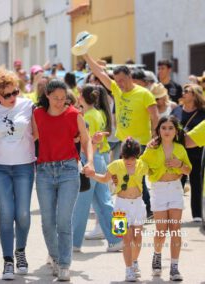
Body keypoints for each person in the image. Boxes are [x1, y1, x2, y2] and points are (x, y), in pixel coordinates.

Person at [82, 52, 159, 218]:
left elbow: (154, 116)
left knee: (136, 176)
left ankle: (144, 209)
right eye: (117, 81)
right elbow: (100, 73)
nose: (120, 84)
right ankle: (140, 211)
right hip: (124, 141)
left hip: (141, 143)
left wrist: (155, 137)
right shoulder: (117, 89)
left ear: (130, 76)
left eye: (123, 80)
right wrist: (87, 56)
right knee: (124, 175)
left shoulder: (144, 94)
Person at [32, 80, 94, 282]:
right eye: (56, 98)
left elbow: (86, 140)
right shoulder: (37, 114)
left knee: (63, 220)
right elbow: (31, 139)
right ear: (47, 95)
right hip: (43, 171)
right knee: (47, 221)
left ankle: (65, 264)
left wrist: (90, 162)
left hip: (68, 169)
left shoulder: (74, 115)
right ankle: (56, 258)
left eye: (63, 98)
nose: (60, 102)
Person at [0, 69, 35, 280]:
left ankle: (20, 251)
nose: (13, 98)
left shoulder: (27, 105)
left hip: (24, 164)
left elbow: (41, 129)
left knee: (23, 213)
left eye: (15, 92)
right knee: (6, 213)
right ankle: (8, 260)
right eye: (7, 95)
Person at [86, 138, 148, 282]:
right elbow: (104, 179)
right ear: (122, 154)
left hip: (138, 205)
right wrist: (92, 174)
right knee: (126, 238)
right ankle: (128, 270)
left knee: (137, 238)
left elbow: (154, 167)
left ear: (137, 156)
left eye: (131, 158)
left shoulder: (142, 165)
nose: (128, 160)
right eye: (126, 157)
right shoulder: (115, 165)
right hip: (120, 206)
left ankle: (134, 262)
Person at [140, 116, 191, 281]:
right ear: (158, 131)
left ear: (176, 131)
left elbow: (188, 170)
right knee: (161, 231)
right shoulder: (152, 149)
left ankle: (174, 267)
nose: (167, 131)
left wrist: (179, 165)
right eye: (163, 128)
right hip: (159, 190)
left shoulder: (180, 149)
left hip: (175, 189)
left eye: (170, 128)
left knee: (175, 229)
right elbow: (141, 166)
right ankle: (157, 256)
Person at [73, 84, 123, 252]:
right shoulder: (99, 113)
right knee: (106, 202)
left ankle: (73, 242)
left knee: (81, 203)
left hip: (91, 159)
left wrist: (89, 162)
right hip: (100, 159)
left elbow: (89, 143)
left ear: (81, 97)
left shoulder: (88, 116)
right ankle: (118, 238)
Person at [171, 84, 205, 222]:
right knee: (176, 184)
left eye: (187, 91)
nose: (183, 93)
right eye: (183, 90)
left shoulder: (203, 112)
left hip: (197, 153)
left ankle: (197, 215)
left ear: (195, 94)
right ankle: (173, 214)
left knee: (196, 184)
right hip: (177, 154)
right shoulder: (176, 110)